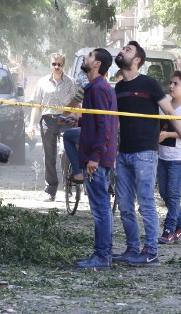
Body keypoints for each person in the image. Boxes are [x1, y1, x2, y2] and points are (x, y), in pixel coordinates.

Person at [113, 41, 181, 267]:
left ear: (137, 60)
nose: (122, 52)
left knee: (146, 203)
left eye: (127, 50)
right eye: (122, 49)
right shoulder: (118, 88)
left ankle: (151, 252)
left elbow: (170, 113)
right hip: (124, 154)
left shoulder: (149, 84)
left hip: (145, 154)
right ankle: (132, 248)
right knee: (126, 206)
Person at [73, 48, 118, 268]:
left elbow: (105, 126)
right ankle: (103, 255)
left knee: (100, 209)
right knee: (101, 208)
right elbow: (97, 122)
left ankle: (102, 256)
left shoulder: (98, 89)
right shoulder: (96, 88)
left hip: (96, 160)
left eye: (89, 56)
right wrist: (80, 122)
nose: (85, 58)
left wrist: (95, 157)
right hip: (96, 156)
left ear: (97, 64)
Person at [27, 53, 77, 201]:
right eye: (54, 64)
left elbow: (76, 104)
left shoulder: (71, 82)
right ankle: (50, 190)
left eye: (59, 64)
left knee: (65, 151)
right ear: (50, 65)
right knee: (48, 156)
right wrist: (31, 124)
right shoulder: (42, 82)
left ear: (64, 66)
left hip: (65, 119)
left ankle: (68, 185)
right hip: (47, 120)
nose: (56, 67)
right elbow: (36, 105)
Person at [157, 71, 181, 244]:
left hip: (179, 158)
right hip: (162, 156)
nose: (171, 86)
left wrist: (167, 135)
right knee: (165, 193)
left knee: (173, 194)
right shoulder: (164, 104)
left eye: (176, 84)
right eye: (170, 83)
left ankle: (169, 229)